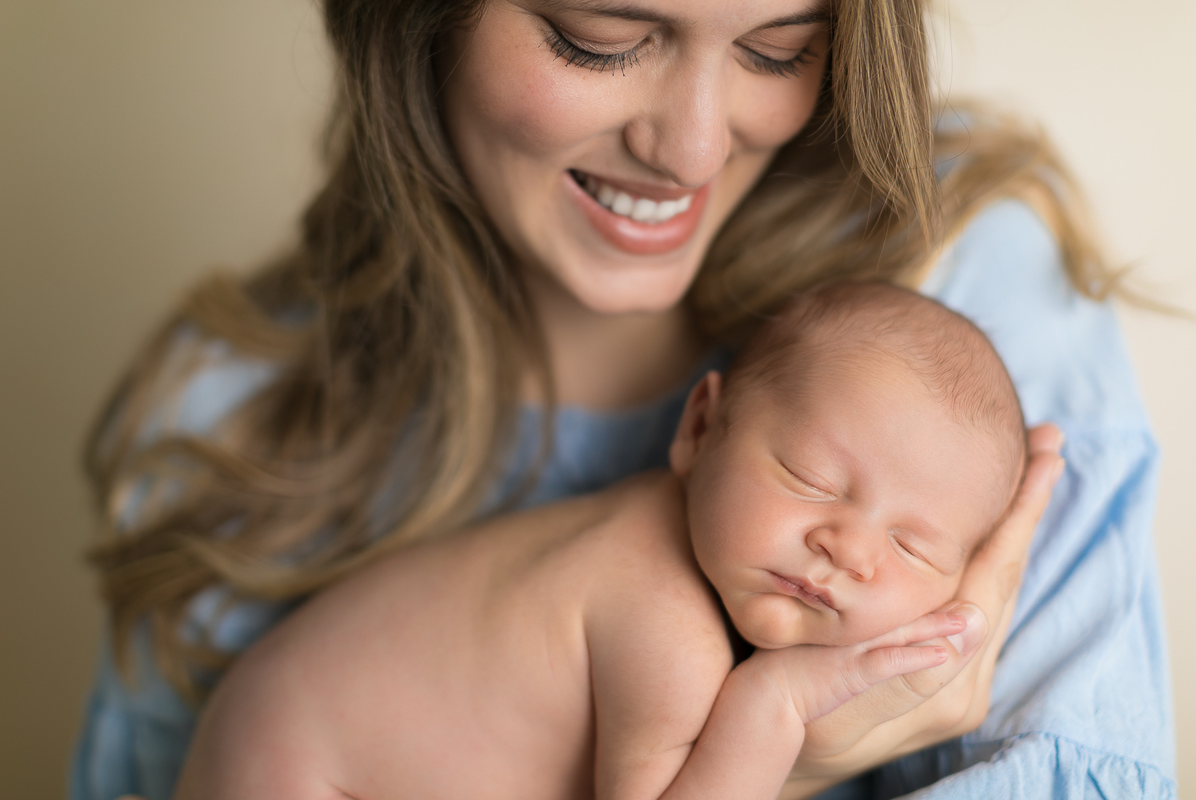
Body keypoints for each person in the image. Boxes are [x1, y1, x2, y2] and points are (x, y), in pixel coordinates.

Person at [70, 1, 1175, 799]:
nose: (689, 146)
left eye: (775, 46)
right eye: (596, 40)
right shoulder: (237, 413)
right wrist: (791, 735)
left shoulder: (963, 277)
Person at [173, 283, 1032, 800]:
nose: (847, 549)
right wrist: (780, 704)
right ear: (701, 427)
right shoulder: (662, 609)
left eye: (915, 549)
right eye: (810, 478)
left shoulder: (648, 534)